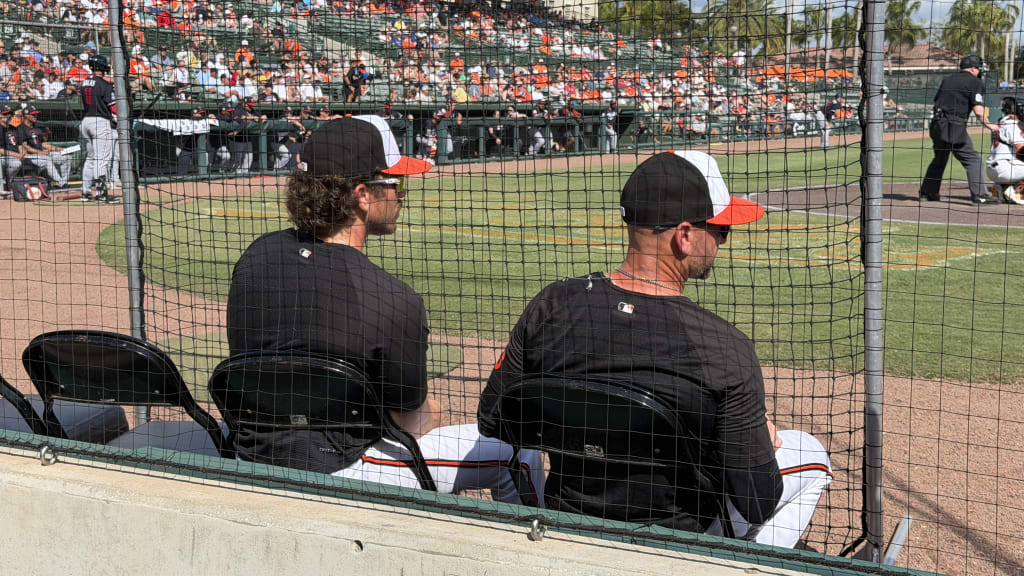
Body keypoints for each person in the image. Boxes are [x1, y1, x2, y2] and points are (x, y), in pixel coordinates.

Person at [479, 150, 832, 548]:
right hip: (675, 546)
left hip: (570, 524)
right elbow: (756, 501)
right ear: (684, 235)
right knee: (810, 452)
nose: (720, 240)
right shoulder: (723, 347)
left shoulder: (552, 306)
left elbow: (494, 420)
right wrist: (749, 443)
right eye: (719, 230)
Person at [227, 115, 545, 501]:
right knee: (517, 452)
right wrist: (433, 411)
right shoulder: (389, 296)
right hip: (343, 470)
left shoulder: (255, 257)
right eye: (396, 184)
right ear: (362, 195)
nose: (401, 194)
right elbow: (411, 423)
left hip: (251, 452)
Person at [919, 55, 1002, 204]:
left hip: (937, 124)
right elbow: (978, 111)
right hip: (953, 125)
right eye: (978, 68)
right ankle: (980, 196)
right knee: (973, 160)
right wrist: (990, 126)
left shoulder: (948, 79)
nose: (979, 71)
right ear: (972, 68)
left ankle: (928, 192)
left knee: (940, 158)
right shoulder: (975, 82)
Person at [80, 54, 119, 203]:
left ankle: (86, 192)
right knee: (102, 159)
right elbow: (113, 106)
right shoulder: (104, 84)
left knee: (90, 158)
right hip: (100, 122)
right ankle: (102, 194)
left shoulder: (84, 83)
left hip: (85, 121)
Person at [19, 105, 72, 189]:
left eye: (36, 114)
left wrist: (58, 149)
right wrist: (41, 152)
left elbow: (43, 144)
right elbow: (25, 147)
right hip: (30, 157)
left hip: (41, 154)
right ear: (26, 115)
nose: (35, 116)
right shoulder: (20, 128)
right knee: (46, 159)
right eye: (33, 114)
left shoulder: (36, 128)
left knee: (66, 157)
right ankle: (61, 183)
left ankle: (64, 182)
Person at [985, 96, 1024, 205]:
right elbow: (1021, 148)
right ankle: (1017, 191)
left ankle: (1001, 188)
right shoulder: (1013, 125)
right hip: (1005, 168)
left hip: (992, 170)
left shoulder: (1001, 123)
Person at [0, 105, 23, 198]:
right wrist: (17, 155)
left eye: (9, 114)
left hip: (14, 156)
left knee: (17, 163)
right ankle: (2, 189)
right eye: (5, 114)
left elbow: (20, 144)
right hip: (3, 157)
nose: (8, 116)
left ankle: (9, 186)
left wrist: (21, 154)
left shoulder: (14, 128)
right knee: (15, 163)